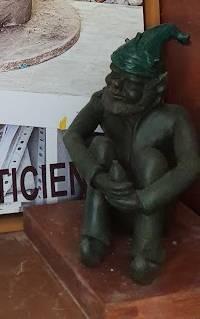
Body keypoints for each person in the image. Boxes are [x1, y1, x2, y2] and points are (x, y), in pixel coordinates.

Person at [64, 24, 200, 285]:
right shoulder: (102, 102)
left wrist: (145, 199)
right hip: (110, 194)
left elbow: (190, 165)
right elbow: (73, 135)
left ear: (157, 87)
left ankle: (147, 252)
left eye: (131, 82)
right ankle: (95, 235)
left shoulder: (173, 118)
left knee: (151, 160)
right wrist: (98, 178)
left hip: (149, 207)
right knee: (101, 146)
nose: (115, 85)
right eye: (114, 74)